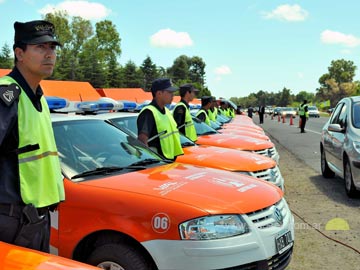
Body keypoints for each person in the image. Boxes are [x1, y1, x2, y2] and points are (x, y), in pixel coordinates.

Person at [0, 20, 65, 252]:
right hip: (11, 218)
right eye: (40, 48)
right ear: (20, 53)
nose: (50, 54)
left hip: (36, 215)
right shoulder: (7, 94)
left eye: (52, 48)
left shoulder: (39, 98)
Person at [137, 78, 183, 160]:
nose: (173, 95)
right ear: (159, 93)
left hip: (169, 162)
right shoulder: (149, 112)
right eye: (169, 92)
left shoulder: (167, 111)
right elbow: (142, 141)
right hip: (158, 164)